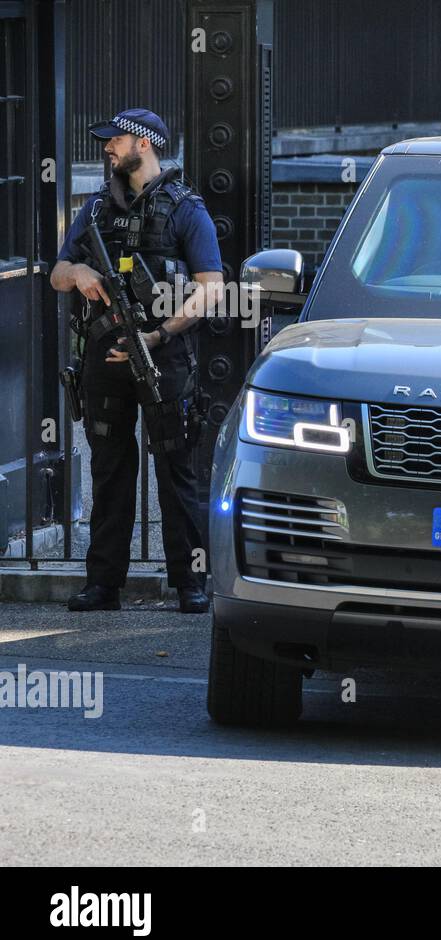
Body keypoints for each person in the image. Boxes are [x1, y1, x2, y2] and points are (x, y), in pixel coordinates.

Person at [49, 109, 224, 614]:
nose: (107, 148)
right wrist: (80, 271)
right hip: (105, 357)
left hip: (164, 357)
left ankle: (191, 583)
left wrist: (160, 332)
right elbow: (58, 270)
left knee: (177, 470)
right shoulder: (99, 209)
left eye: (115, 139)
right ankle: (103, 584)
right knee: (110, 469)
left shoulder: (186, 209)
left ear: (145, 144)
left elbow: (212, 291)